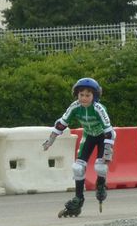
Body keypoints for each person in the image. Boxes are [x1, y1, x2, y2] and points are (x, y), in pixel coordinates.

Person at [42, 77, 115, 218]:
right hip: (88, 136)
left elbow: (109, 132)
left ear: (95, 96)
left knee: (100, 167)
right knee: (77, 167)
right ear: (77, 95)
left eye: (88, 95)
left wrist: (107, 152)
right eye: (81, 95)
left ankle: (100, 185)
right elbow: (61, 124)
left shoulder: (99, 108)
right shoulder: (75, 106)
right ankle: (78, 199)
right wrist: (50, 140)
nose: (84, 98)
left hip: (103, 137)